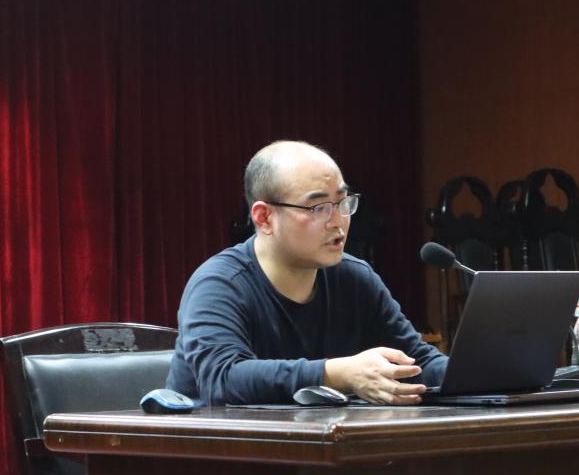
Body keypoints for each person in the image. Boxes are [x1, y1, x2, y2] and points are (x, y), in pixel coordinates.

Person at [167, 140, 448, 405]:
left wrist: (470, 374)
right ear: (264, 217)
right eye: (318, 208)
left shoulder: (354, 278)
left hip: (321, 436)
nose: (338, 222)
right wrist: (339, 373)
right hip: (219, 438)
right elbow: (223, 380)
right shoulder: (219, 284)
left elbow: (417, 361)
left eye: (343, 202)